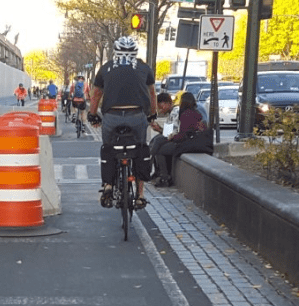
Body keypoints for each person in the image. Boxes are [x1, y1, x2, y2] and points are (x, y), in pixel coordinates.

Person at [87, 36, 157, 210]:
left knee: (109, 149)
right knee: (140, 149)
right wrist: (152, 115)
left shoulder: (106, 68)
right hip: (136, 114)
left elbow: (96, 95)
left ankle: (108, 186)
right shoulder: (143, 68)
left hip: (112, 116)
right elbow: (153, 94)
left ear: (115, 51)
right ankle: (140, 195)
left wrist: (93, 115)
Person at [154, 92, 208, 187]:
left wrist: (173, 138)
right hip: (195, 143)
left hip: (187, 144)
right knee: (158, 141)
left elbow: (181, 134)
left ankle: (164, 177)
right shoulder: (196, 113)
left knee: (161, 149)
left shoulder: (185, 114)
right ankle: (160, 173)